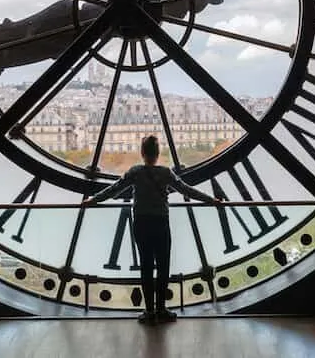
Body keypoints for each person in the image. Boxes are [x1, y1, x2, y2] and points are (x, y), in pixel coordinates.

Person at [82, 135, 222, 325]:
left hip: (141, 222)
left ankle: (148, 311)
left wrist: (93, 200)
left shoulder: (135, 172)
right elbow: (186, 190)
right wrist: (211, 200)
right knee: (163, 266)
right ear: (158, 153)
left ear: (142, 153)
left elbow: (114, 189)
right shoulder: (165, 173)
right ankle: (161, 308)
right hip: (160, 222)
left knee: (146, 267)